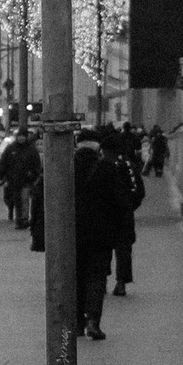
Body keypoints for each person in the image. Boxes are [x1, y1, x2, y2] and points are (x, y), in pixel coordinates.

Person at [74, 135, 132, 339]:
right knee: (96, 278)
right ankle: (93, 322)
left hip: (73, 236)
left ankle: (78, 321)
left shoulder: (65, 168)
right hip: (101, 236)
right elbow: (122, 203)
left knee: (76, 277)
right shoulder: (108, 169)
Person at [110, 131, 147, 295]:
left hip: (104, 215)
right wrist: (129, 207)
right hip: (124, 215)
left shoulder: (103, 164)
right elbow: (138, 190)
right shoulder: (128, 165)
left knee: (100, 249)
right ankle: (121, 282)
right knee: (123, 250)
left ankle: (99, 281)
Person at [0, 132, 39, 232]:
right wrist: (1, 175)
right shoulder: (11, 149)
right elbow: (4, 162)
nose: (21, 138)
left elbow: (36, 163)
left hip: (26, 180)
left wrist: (33, 174)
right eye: (19, 136)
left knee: (24, 199)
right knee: (17, 200)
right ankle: (19, 219)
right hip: (14, 180)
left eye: (23, 136)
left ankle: (24, 219)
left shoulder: (31, 149)